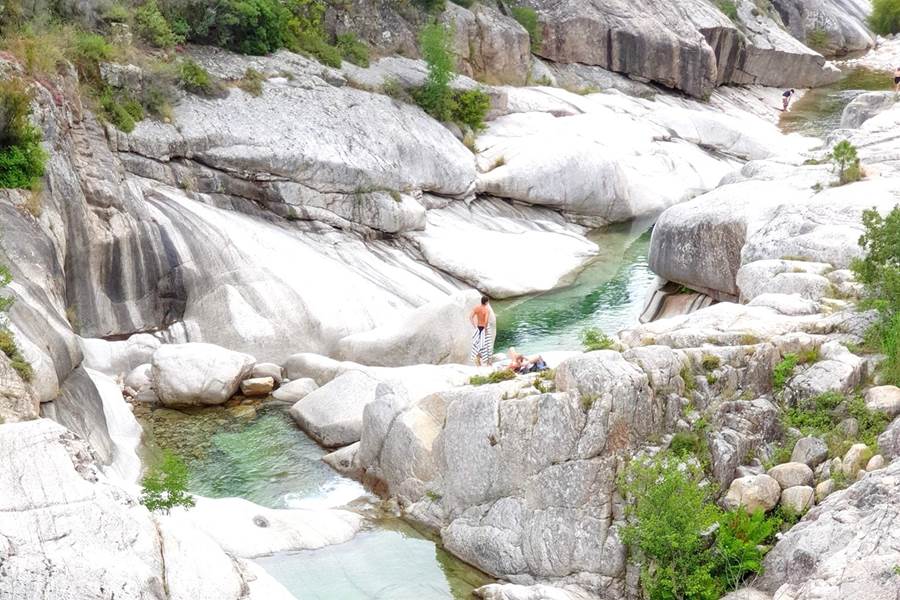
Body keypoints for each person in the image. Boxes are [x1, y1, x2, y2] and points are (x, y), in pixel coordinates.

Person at [469, 294, 494, 366]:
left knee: (478, 345)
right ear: (486, 302)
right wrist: (486, 330)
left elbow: (470, 317)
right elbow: (486, 321)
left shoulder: (476, 308)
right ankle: (489, 363)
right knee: (488, 345)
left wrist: (474, 325)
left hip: (478, 328)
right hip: (484, 328)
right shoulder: (487, 310)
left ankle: (479, 364)